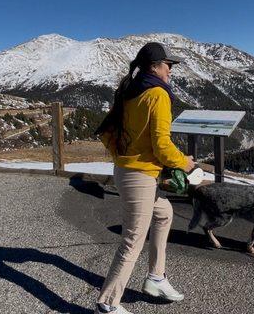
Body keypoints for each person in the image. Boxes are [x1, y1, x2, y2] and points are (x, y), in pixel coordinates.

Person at [94, 42, 195, 314]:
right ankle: (107, 304)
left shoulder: (129, 92)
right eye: (168, 65)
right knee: (132, 240)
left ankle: (156, 278)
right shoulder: (157, 95)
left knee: (163, 213)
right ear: (155, 66)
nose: (170, 71)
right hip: (140, 177)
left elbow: (106, 132)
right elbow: (162, 145)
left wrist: (122, 158)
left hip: (127, 172)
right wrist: (183, 162)